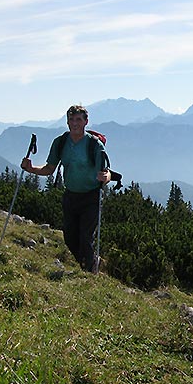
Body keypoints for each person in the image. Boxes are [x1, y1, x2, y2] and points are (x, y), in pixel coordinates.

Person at [22, 105, 111, 271]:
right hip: (71, 196)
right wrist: (31, 168)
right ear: (67, 122)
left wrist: (105, 178)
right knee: (70, 238)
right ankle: (90, 262)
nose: (74, 123)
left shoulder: (94, 145)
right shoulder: (61, 143)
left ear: (86, 122)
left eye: (78, 119)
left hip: (91, 196)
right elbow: (49, 169)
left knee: (85, 237)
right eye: (71, 119)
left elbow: (106, 173)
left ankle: (88, 273)